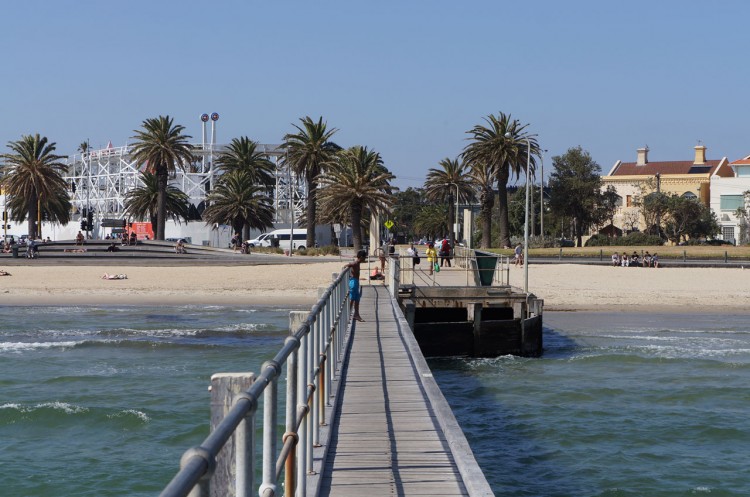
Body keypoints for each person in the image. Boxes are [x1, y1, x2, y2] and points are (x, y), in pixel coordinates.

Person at [343, 250, 367, 322]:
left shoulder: (358, 263)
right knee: (352, 299)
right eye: (364, 257)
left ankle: (356, 315)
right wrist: (345, 268)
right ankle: (348, 315)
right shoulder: (356, 263)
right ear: (361, 257)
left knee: (357, 299)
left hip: (356, 282)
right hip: (353, 282)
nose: (365, 258)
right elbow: (347, 265)